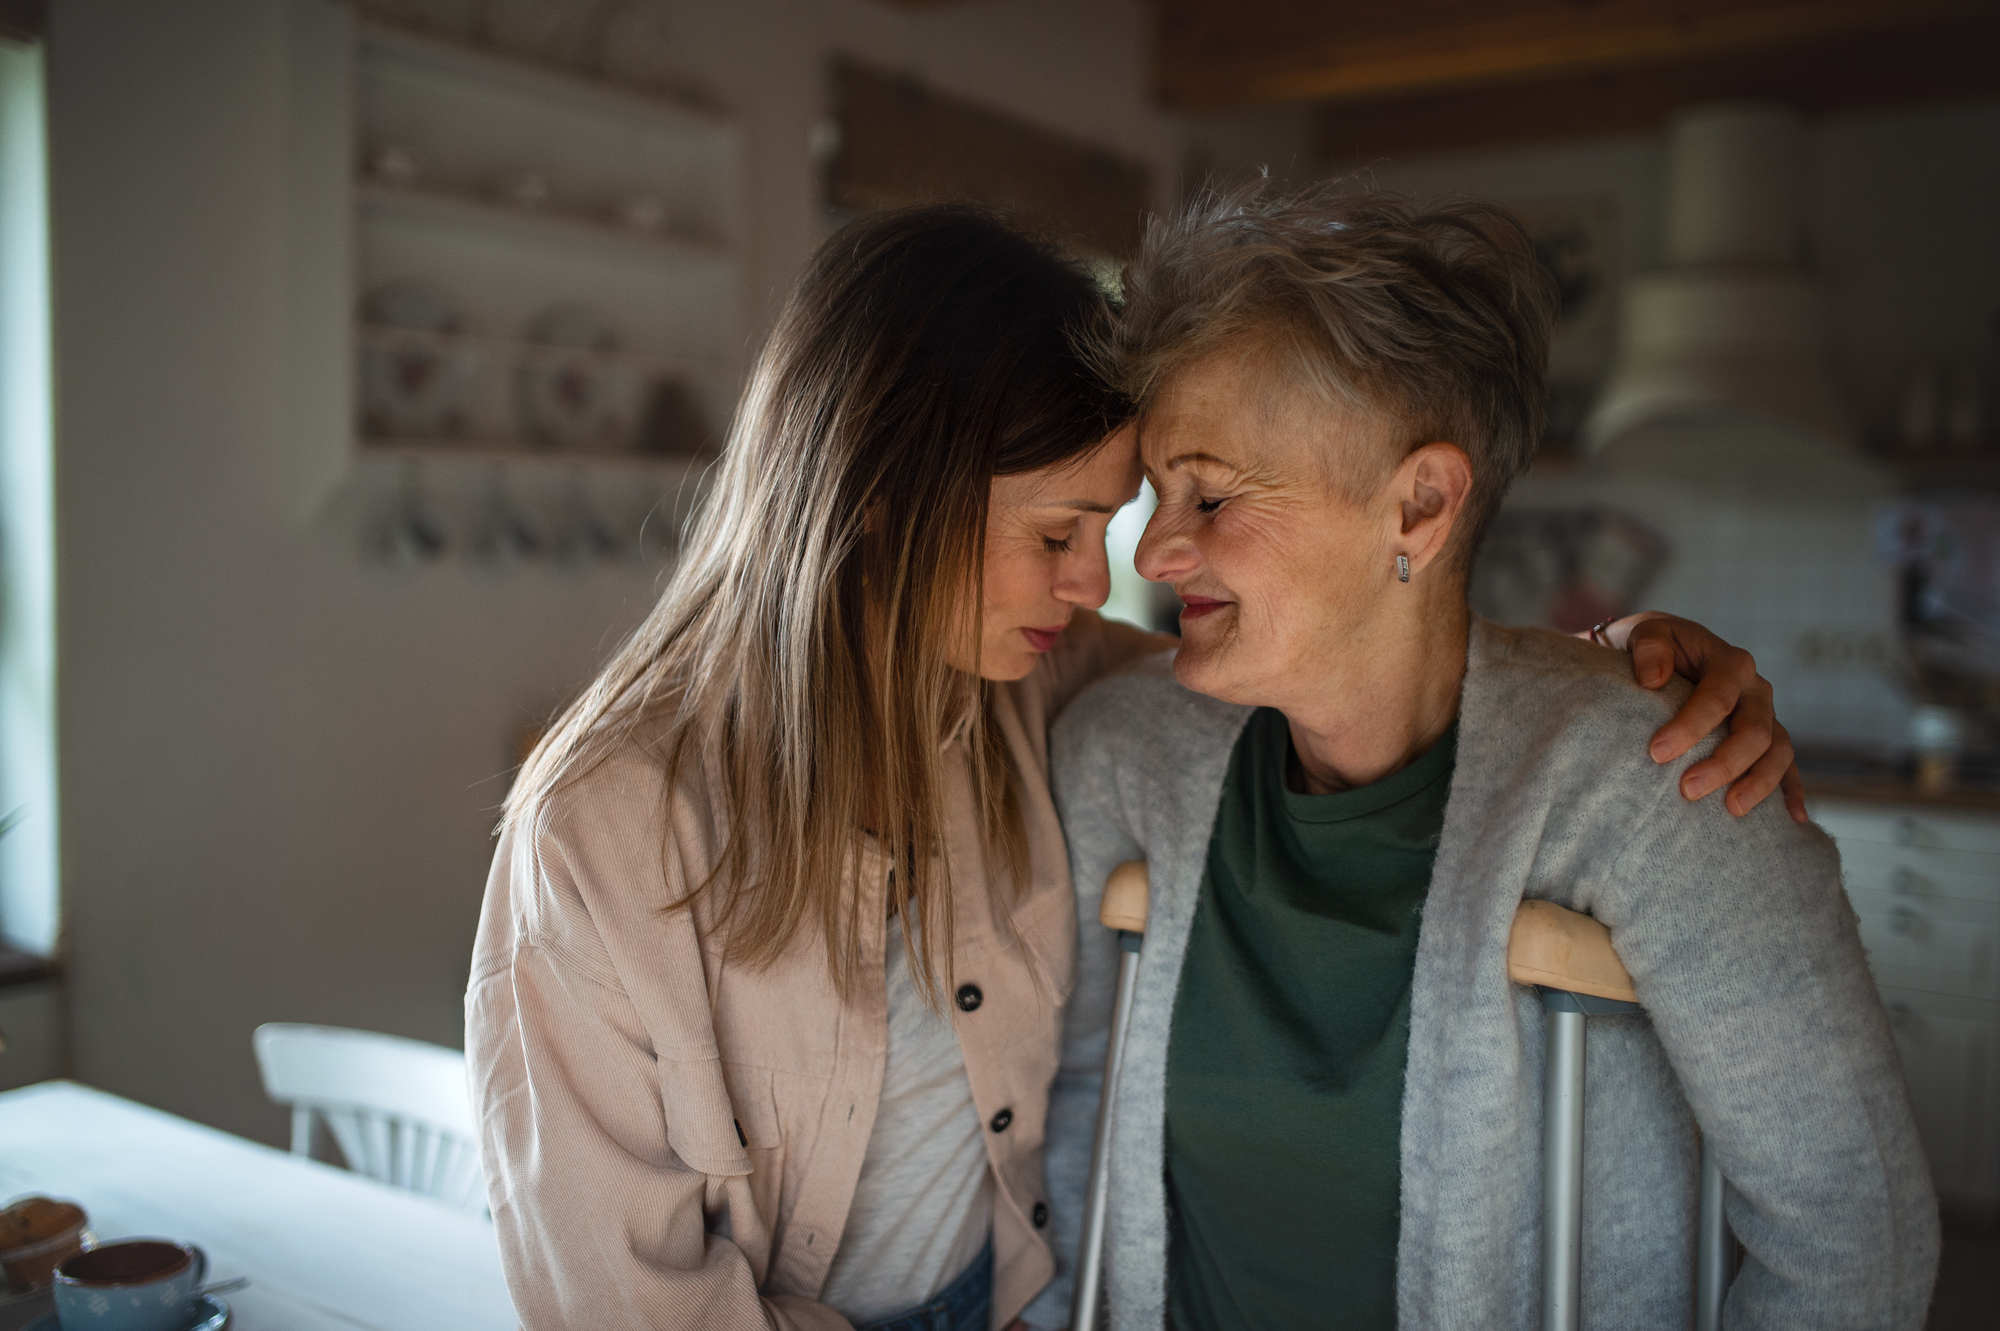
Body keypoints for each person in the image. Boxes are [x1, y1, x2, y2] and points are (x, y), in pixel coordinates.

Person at [466, 203, 1803, 1331]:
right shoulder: (602, 830)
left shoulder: (1038, 675)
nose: (1097, 577)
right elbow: (618, 1296)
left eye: (1107, 525)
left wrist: (1602, 667)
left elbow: (1344, 655)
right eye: (1061, 529)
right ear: (881, 498)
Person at [1044, 185, 1938, 1330]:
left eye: (1211, 494)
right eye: (1158, 494)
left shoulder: (1665, 778)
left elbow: (1851, 1238)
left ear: (1418, 506)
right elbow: (1066, 1120)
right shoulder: (1120, 753)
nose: (1159, 546)